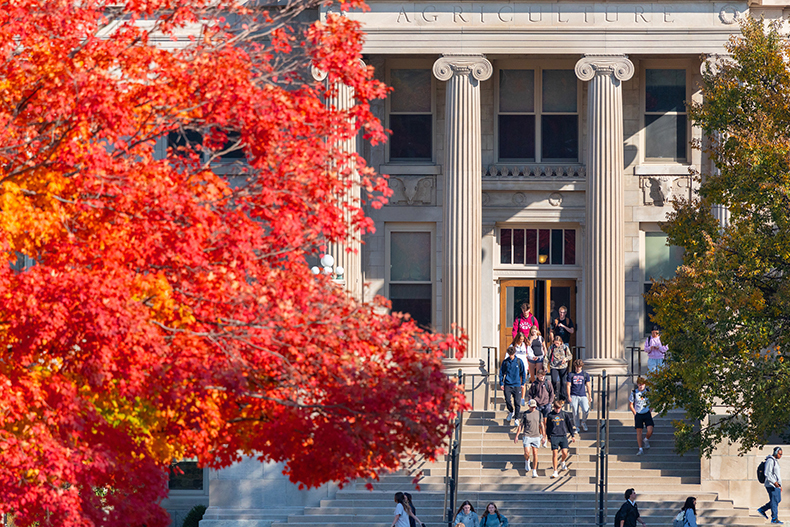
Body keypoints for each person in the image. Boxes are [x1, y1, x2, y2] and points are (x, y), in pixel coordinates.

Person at [545, 398, 576, 478]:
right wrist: (548, 436)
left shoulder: (564, 414)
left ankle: (562, 461)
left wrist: (572, 435)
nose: (558, 410)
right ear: (554, 407)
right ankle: (555, 471)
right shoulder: (550, 415)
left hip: (563, 435)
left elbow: (569, 425)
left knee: (565, 452)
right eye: (556, 408)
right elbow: (548, 427)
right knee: (555, 454)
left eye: (559, 408)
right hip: (554, 436)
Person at [514, 399, 545, 478]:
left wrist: (544, 436)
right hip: (527, 435)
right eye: (532, 407)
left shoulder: (539, 414)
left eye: (535, 407)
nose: (533, 408)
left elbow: (542, 425)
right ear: (529, 406)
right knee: (527, 452)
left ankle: (534, 470)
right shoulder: (525, 414)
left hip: (536, 435)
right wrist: (517, 435)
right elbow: (521, 425)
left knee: (535, 453)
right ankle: (527, 460)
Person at [499, 345, 526, 426]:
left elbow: (523, 373)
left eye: (512, 354)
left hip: (517, 384)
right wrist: (501, 383)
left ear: (514, 353)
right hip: (508, 384)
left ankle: (517, 418)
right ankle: (511, 411)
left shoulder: (519, 361)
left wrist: (523, 383)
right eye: (509, 354)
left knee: (517, 402)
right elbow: (501, 373)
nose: (511, 356)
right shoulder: (505, 362)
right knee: (507, 400)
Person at [758, 447, 783, 524]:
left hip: (776, 485)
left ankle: (762, 509)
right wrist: (775, 483)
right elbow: (767, 473)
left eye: (781, 454)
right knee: (775, 501)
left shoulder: (775, 461)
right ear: (775, 453)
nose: (780, 455)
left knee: (777, 500)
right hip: (771, 485)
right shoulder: (770, 460)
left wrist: (779, 485)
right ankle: (774, 518)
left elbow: (776, 475)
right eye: (779, 454)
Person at [629, 378, 654, 455]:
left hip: (646, 413)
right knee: (639, 432)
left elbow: (653, 401)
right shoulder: (634, 393)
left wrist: (650, 410)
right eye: (640, 384)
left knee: (650, 429)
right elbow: (631, 404)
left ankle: (646, 439)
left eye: (642, 384)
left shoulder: (648, 392)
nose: (641, 386)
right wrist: (635, 413)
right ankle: (640, 449)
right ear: (637, 384)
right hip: (638, 414)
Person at [566, 359, 592, 432]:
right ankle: (577, 426)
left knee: (586, 409)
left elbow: (588, 385)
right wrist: (568, 396)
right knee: (575, 411)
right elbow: (568, 385)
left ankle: (583, 422)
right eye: (577, 367)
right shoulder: (571, 374)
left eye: (579, 367)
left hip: (582, 394)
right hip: (574, 394)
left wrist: (590, 395)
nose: (578, 368)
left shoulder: (585, 374)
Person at [545, 334, 572, 400]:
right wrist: (545, 366)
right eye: (555, 343)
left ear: (560, 342)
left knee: (563, 382)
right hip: (554, 366)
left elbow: (570, 356)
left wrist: (565, 359)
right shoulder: (551, 348)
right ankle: (554, 393)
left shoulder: (565, 347)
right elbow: (547, 357)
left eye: (558, 343)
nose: (556, 344)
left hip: (563, 366)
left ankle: (562, 396)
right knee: (554, 380)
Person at [510, 332, 528, 405]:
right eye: (520, 339)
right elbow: (508, 354)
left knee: (523, 382)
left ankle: (522, 398)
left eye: (522, 339)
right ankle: (516, 397)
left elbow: (529, 353)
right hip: (516, 366)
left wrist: (533, 357)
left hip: (524, 365)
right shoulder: (513, 346)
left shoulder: (525, 345)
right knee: (517, 382)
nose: (521, 341)